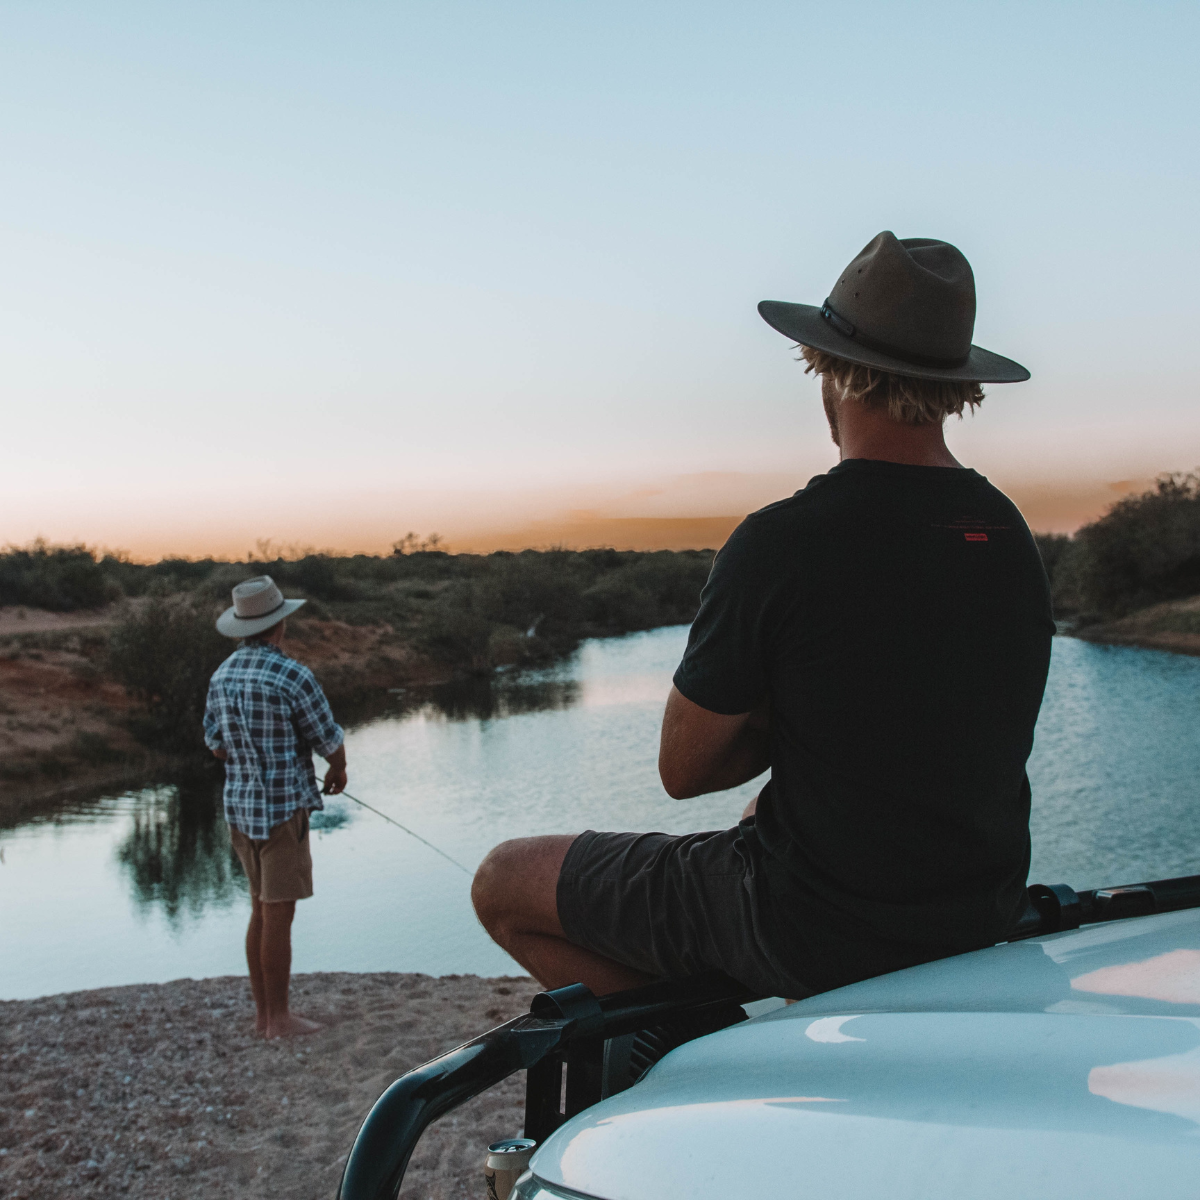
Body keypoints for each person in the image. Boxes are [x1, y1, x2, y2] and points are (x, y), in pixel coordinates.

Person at [472, 231, 1055, 1000]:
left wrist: (799, 717)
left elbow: (683, 772)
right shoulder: (1007, 534)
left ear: (831, 373)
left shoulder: (783, 542)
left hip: (814, 925)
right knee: (760, 815)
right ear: (954, 383)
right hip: (974, 909)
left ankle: (674, 1056)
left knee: (505, 880)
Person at [203, 575, 347, 1037]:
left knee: (260, 910)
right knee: (279, 915)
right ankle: (280, 1019)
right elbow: (328, 737)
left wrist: (248, 751)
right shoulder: (292, 674)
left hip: (240, 811)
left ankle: (264, 1015)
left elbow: (216, 746)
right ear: (279, 624)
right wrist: (337, 770)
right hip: (284, 812)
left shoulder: (221, 675)